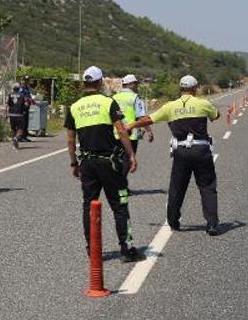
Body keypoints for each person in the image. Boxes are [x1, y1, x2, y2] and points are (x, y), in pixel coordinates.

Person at [127, 75, 221, 236]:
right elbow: (216, 116)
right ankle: (212, 223)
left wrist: (132, 124)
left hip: (181, 151)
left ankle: (173, 221)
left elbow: (149, 119)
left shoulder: (170, 106)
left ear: (180, 89)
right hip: (201, 150)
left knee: (177, 187)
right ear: (194, 88)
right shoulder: (203, 103)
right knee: (207, 186)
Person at [65, 66, 140, 262]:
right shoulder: (108, 102)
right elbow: (122, 131)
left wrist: (74, 163)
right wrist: (131, 155)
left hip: (87, 163)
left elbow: (71, 139)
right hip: (110, 162)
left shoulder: (74, 107)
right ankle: (126, 248)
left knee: (89, 206)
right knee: (120, 205)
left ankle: (93, 250)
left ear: (84, 84)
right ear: (99, 83)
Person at [112, 74, 154, 159]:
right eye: (135, 84)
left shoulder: (114, 97)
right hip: (132, 135)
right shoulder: (135, 97)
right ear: (130, 84)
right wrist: (149, 131)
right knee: (128, 161)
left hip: (115, 134)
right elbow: (141, 117)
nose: (136, 86)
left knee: (117, 161)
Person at [6, 84, 25, 149]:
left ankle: (14, 144)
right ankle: (16, 138)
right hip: (19, 114)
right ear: (19, 88)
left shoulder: (10, 95)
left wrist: (6, 113)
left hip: (11, 114)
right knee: (20, 129)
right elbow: (24, 104)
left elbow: (7, 104)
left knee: (13, 128)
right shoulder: (22, 95)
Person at [18, 76, 35, 142]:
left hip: (27, 107)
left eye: (27, 80)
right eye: (25, 80)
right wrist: (27, 99)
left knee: (26, 122)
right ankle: (21, 136)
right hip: (23, 107)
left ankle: (25, 136)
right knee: (23, 122)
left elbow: (29, 96)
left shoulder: (27, 88)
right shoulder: (21, 88)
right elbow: (21, 97)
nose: (26, 81)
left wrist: (32, 100)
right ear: (22, 81)